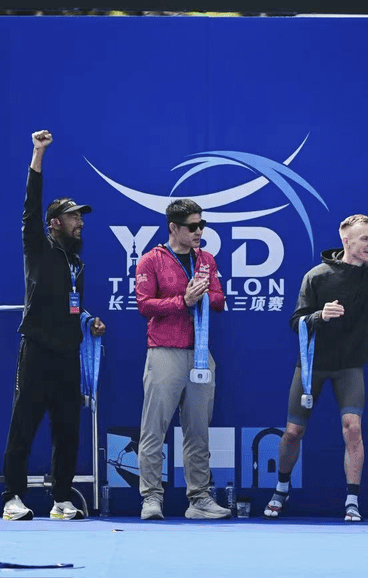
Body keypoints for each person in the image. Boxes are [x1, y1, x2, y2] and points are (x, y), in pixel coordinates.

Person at [263, 214, 368, 522]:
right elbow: (296, 322)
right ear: (346, 241)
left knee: (353, 428)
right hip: (312, 365)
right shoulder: (316, 276)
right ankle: (281, 488)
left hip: (350, 366)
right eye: (365, 239)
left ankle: (352, 500)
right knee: (293, 432)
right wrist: (320, 315)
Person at [1, 130, 106, 521]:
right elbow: (31, 205)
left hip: (68, 354)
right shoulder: (37, 245)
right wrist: (38, 154)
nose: (80, 222)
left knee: (67, 430)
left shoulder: (77, 262)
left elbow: (70, 302)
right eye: (74, 216)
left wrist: (89, 322)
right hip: (37, 351)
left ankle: (61, 499)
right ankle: (13, 497)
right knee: (24, 425)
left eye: (81, 217)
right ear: (54, 223)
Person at [134, 199, 229, 521]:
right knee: (154, 429)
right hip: (164, 351)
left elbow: (219, 299)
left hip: (200, 354)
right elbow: (145, 305)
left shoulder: (206, 260)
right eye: (192, 226)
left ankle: (199, 498)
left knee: (198, 430)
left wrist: (203, 296)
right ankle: (151, 497)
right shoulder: (151, 260)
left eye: (202, 225)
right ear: (173, 227)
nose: (199, 231)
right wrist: (183, 301)